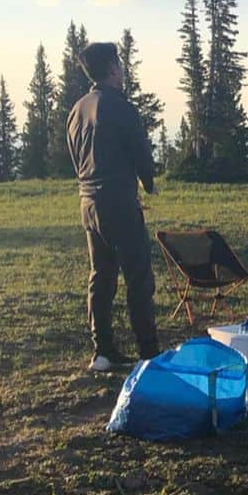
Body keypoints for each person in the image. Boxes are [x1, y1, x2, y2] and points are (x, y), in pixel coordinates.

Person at [66, 41, 159, 372]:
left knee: (101, 276)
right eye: (119, 62)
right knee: (138, 277)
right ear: (112, 69)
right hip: (118, 200)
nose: (123, 68)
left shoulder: (77, 109)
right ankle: (149, 352)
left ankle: (102, 351)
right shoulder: (120, 106)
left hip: (87, 202)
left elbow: (75, 155)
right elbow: (139, 149)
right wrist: (149, 182)